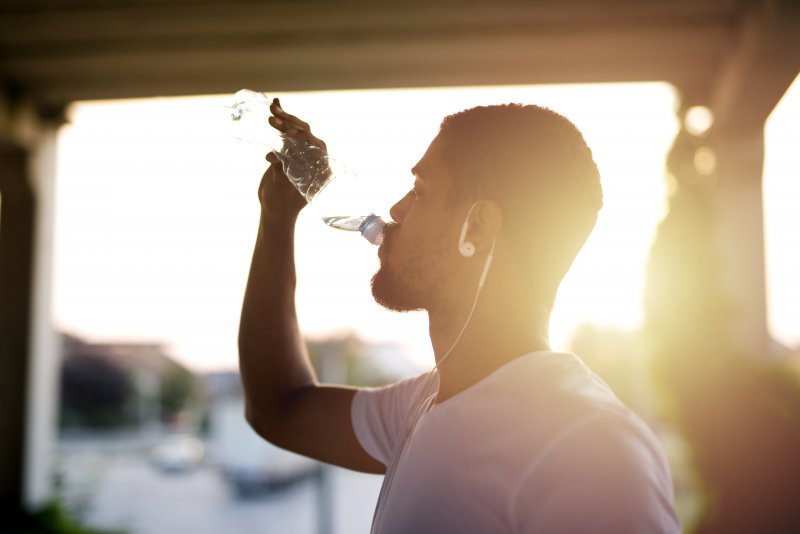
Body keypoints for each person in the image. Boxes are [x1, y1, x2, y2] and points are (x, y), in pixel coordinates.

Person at [238, 98, 681, 533]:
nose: (396, 211)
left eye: (420, 190)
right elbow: (278, 408)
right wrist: (277, 220)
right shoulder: (423, 403)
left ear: (478, 228)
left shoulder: (591, 449)